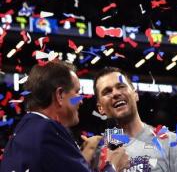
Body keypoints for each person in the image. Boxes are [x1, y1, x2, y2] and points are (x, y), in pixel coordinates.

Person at [0, 60, 128, 172]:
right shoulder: (48, 131)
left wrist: (83, 158)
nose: (81, 100)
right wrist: (109, 162)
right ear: (60, 95)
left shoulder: (26, 128)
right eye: (77, 92)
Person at [94, 67, 177, 172]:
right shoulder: (96, 156)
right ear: (100, 108)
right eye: (107, 92)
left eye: (121, 86)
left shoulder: (173, 143)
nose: (115, 93)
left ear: (135, 95)